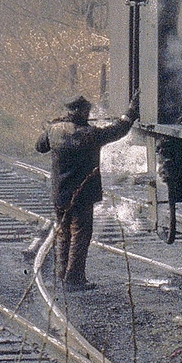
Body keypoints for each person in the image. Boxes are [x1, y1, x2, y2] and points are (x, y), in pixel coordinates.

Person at [34, 95, 138, 288]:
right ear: (83, 112)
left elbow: (40, 147)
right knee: (80, 235)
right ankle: (74, 278)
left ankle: (61, 275)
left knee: (63, 233)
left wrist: (51, 127)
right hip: (82, 194)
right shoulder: (90, 134)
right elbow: (118, 130)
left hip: (60, 193)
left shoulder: (55, 130)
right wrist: (130, 113)